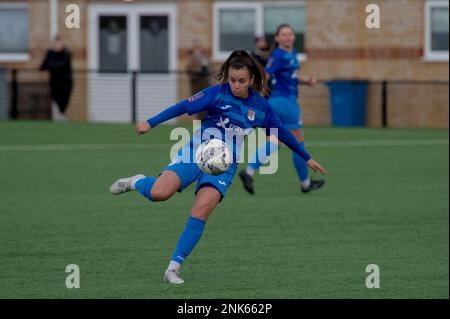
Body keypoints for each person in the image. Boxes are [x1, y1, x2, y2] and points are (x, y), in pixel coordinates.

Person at [109, 49, 327, 284]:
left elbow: (283, 132)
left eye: (241, 81)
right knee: (159, 193)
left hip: (225, 165)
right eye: (232, 80)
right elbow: (182, 107)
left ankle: (173, 268)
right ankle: (137, 181)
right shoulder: (215, 94)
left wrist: (306, 157)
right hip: (197, 151)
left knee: (201, 210)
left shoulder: (261, 107)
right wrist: (150, 123)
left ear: (251, 79)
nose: (236, 85)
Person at [239, 24, 325, 195]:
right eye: (283, 34)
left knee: (275, 142)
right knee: (297, 143)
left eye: (290, 34)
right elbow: (267, 74)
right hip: (286, 103)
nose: (287, 37)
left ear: (294, 37)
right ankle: (305, 183)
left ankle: (248, 171)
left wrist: (305, 81)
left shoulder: (290, 54)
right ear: (277, 39)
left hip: (276, 103)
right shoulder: (279, 55)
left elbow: (288, 76)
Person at [40, 35, 73, 122]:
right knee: (56, 99)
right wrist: (53, 65)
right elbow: (43, 67)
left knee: (64, 100)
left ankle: (62, 115)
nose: (57, 45)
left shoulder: (66, 53)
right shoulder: (50, 54)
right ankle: (60, 115)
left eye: (59, 43)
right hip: (55, 82)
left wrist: (53, 66)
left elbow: (63, 65)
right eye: (56, 43)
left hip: (66, 82)